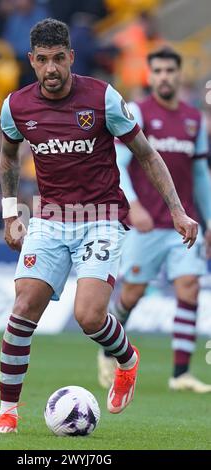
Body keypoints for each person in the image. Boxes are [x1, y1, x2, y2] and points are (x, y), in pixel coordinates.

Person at [0, 20, 198, 434]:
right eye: (42, 60)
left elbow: (147, 155)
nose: (51, 69)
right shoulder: (16, 106)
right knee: (24, 306)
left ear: (71, 58)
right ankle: (7, 412)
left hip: (100, 216)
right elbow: (8, 156)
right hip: (48, 217)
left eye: (58, 59)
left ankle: (127, 358)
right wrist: (11, 214)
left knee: (88, 316)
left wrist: (176, 211)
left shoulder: (102, 98)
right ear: (32, 61)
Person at [97, 47, 211, 393]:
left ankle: (180, 374)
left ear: (179, 75)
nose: (164, 77)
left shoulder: (194, 120)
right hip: (145, 224)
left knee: (188, 287)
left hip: (181, 224)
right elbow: (118, 160)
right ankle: (109, 349)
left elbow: (201, 173)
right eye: (157, 71)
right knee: (131, 293)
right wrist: (132, 204)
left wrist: (207, 220)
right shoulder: (138, 114)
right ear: (150, 76)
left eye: (169, 71)